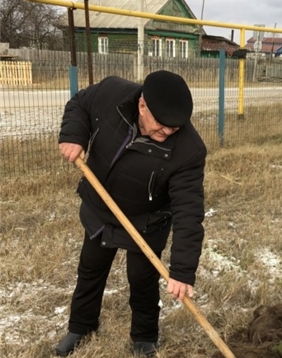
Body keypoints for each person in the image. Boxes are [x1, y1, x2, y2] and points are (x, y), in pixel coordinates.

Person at [55, 70, 206, 357]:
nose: (167, 134)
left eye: (174, 130)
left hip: (147, 220)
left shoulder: (190, 150)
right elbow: (79, 104)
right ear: (142, 105)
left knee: (143, 279)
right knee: (90, 268)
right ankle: (81, 326)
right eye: (161, 127)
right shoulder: (112, 93)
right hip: (101, 208)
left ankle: (144, 337)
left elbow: (189, 211)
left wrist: (183, 271)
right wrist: (73, 136)